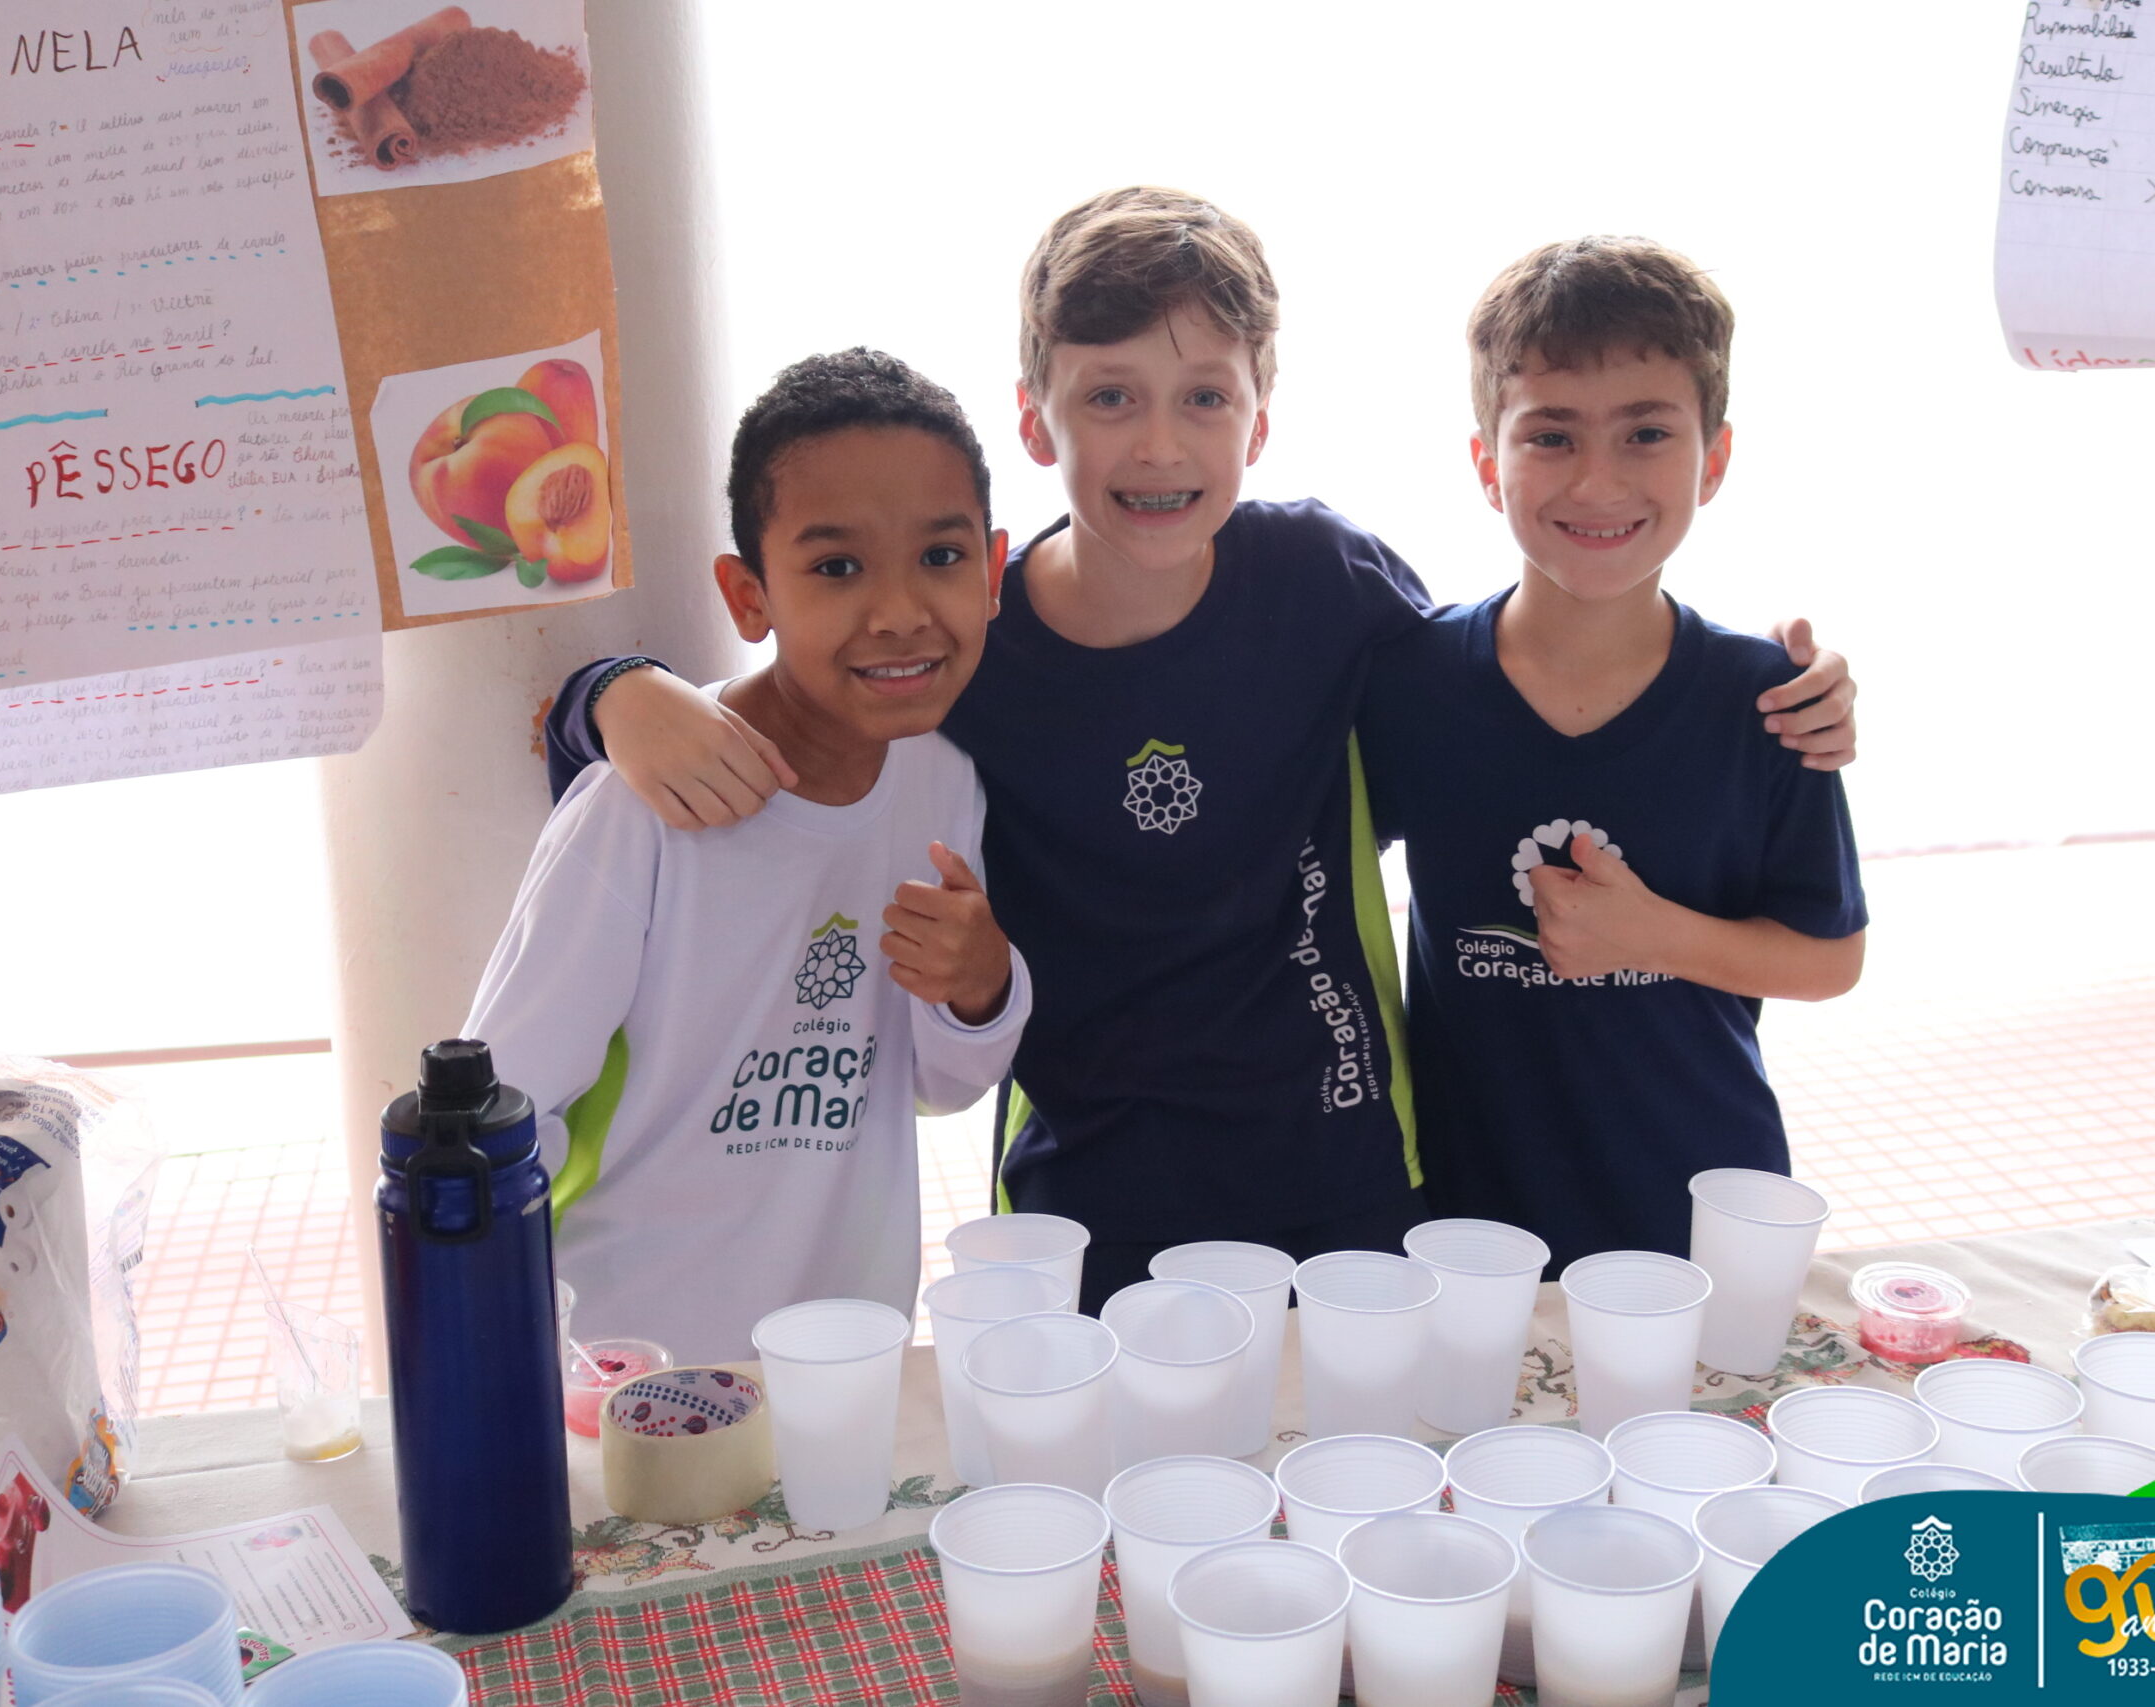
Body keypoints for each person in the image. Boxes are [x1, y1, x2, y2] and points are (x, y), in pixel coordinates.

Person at [540, 190, 1860, 1311]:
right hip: (1085, 1189)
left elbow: (1517, 693)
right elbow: (798, 704)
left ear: (1259, 419)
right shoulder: (975, 644)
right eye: (1111, 396)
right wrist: (611, 692)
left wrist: (1764, 690)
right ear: (1037, 419)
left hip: (1344, 1169)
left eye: (1204, 396)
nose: (1159, 443)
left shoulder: (1324, 582)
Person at [464, 350, 1031, 1361]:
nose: (901, 611)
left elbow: (937, 1084)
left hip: (844, 1354)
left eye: (940, 556)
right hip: (630, 1364)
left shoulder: (946, 785)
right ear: (748, 594)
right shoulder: (639, 811)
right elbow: (499, 1109)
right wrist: (506, 1346)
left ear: (992, 573)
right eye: (837, 567)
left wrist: (981, 984)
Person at [1358, 238, 1866, 1270]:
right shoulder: (1411, 682)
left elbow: (1831, 957)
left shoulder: (1766, 699)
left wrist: (1652, 935)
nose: (1598, 480)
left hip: (1699, 1203)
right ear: (1487, 465)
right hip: (1467, 1215)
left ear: (1713, 460)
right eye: (1551, 436)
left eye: (1646, 433)